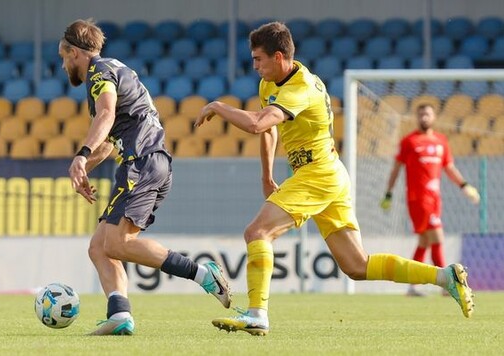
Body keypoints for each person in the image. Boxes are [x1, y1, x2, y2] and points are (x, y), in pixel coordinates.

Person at [194, 22, 474, 336]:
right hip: (328, 174)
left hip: (318, 174)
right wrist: (266, 174)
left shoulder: (302, 86)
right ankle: (444, 277)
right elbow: (270, 129)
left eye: (259, 59)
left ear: (279, 56)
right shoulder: (268, 84)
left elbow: (259, 124)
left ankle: (257, 313)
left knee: (257, 232)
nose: (255, 66)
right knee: (357, 265)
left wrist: (218, 106)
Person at [58, 19, 231, 336]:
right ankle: (119, 314)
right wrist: (87, 166)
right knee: (99, 247)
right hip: (143, 161)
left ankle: (203, 274)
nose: (64, 64)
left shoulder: (99, 73)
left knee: (119, 243)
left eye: (63, 57)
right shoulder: (115, 69)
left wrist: (81, 154)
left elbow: (106, 114)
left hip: (142, 162)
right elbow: (111, 140)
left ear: (73, 52)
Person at [381, 103, 480, 296]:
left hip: (435, 199)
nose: (424, 117)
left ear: (434, 117)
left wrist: (464, 185)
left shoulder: (441, 141)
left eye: (427, 114)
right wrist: (388, 193)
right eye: (421, 115)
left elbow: (449, 168)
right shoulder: (409, 142)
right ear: (417, 118)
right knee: (437, 237)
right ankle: (448, 284)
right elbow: (396, 169)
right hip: (418, 199)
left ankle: (412, 286)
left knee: (425, 241)